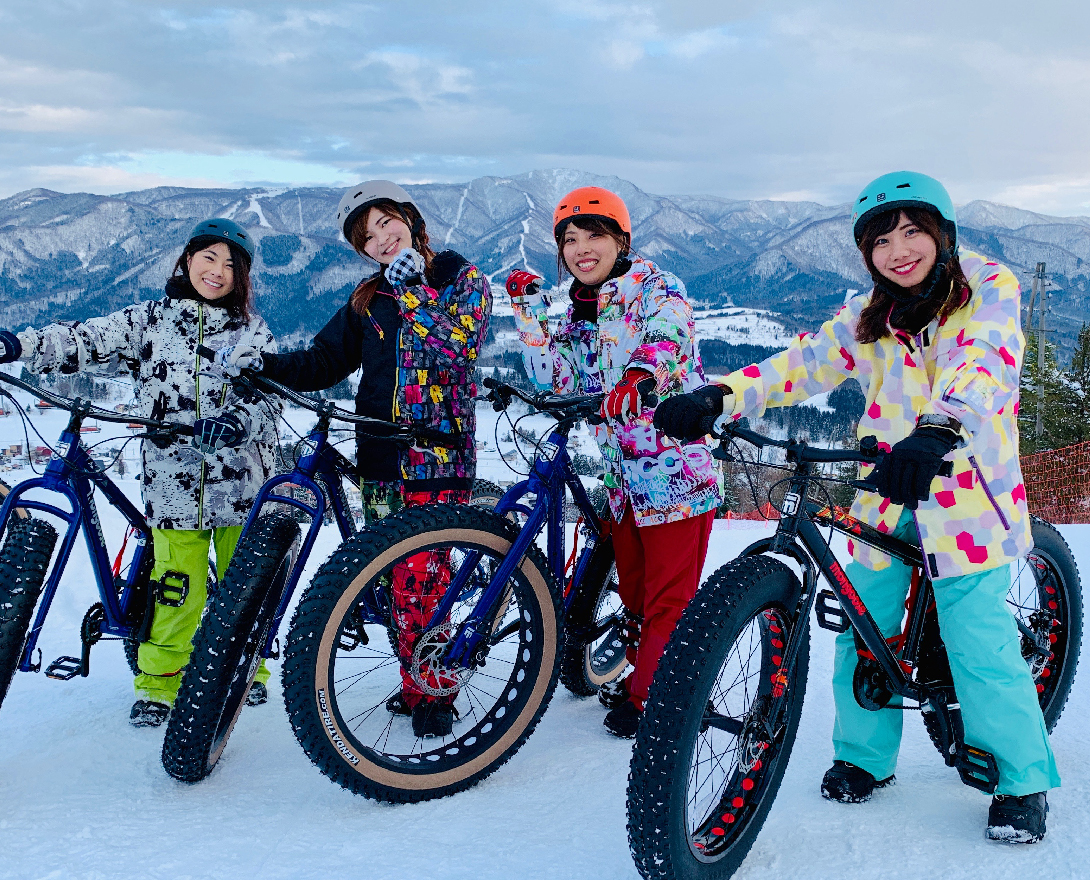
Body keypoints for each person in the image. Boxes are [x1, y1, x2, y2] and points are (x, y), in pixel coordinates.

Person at [654, 171, 1059, 843]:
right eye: (880, 240)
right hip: (885, 483)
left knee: (978, 640)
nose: (898, 250)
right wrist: (718, 397)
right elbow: (802, 364)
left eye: (912, 232)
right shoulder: (869, 313)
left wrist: (940, 427)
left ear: (943, 235)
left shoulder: (986, 291)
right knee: (861, 623)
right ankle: (864, 757)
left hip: (963, 486)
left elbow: (983, 360)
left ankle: (1022, 782)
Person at [215, 180, 491, 739]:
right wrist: (262, 364)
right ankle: (418, 679)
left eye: (387, 223)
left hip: (437, 452)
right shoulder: (369, 298)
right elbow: (323, 361)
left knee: (422, 579)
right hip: (379, 455)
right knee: (393, 580)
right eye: (367, 237)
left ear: (410, 219)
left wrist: (413, 290)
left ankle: (436, 693)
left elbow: (458, 346)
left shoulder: (459, 277)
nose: (382, 239)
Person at [0, 219, 281, 727]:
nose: (218, 271)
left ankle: (249, 671)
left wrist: (235, 424)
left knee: (244, 587)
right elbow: (86, 338)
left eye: (231, 264)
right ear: (187, 260)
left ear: (242, 278)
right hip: (174, 486)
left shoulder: (252, 332)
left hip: (243, 484)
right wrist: (19, 346)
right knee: (176, 587)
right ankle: (159, 684)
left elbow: (268, 398)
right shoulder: (150, 322)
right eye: (209, 257)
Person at [506, 186, 720, 738]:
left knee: (670, 598)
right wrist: (529, 317)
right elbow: (555, 377)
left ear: (621, 239)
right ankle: (636, 669)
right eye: (569, 240)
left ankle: (650, 699)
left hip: (676, 473)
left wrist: (640, 376)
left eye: (594, 235)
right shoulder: (580, 308)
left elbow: (667, 338)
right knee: (633, 592)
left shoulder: (655, 286)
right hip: (623, 479)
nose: (581, 248)